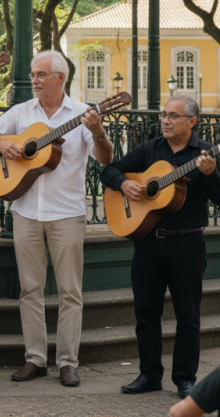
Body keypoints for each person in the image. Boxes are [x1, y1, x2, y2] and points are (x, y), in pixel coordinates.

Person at [0, 50, 113, 387]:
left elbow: (106, 158)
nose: (33, 80)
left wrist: (98, 132)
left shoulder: (81, 114)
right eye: (33, 74)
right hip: (26, 212)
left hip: (67, 213)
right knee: (30, 290)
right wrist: (1, 146)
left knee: (70, 292)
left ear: (60, 78)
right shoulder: (22, 112)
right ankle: (34, 359)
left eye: (40, 74)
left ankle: (67, 362)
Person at [101, 96, 220, 399]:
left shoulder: (206, 154)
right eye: (164, 115)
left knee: (188, 316)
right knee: (146, 313)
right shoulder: (150, 149)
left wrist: (211, 175)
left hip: (187, 243)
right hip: (147, 242)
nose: (165, 120)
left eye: (173, 116)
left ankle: (185, 379)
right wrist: (123, 184)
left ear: (192, 121)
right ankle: (149, 375)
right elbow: (110, 169)